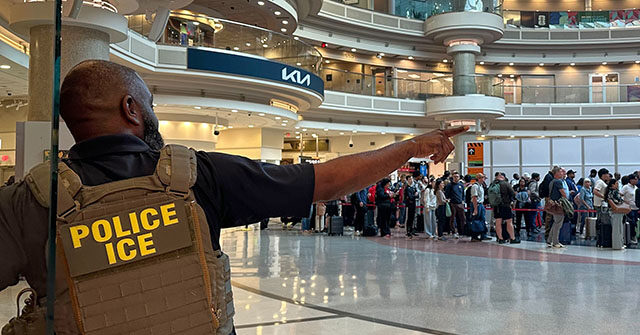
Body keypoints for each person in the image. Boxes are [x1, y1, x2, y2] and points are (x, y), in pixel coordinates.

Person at [0, 60, 468, 334]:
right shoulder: (197, 177)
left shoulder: (28, 201)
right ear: (131, 109)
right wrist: (411, 147)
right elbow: (324, 182)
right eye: (150, 107)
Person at [490, 172, 517, 244]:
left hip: (496, 206)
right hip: (505, 206)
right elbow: (513, 194)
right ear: (503, 177)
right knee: (509, 222)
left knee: (498, 222)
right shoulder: (506, 184)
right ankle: (512, 238)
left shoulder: (492, 184)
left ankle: (500, 238)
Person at [547, 167, 568, 248]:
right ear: (556, 173)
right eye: (560, 172)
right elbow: (563, 193)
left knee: (555, 222)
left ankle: (550, 240)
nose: (562, 173)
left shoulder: (552, 182)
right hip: (558, 205)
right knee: (558, 224)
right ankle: (555, 242)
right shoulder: (558, 182)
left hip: (553, 204)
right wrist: (567, 201)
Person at [605, 178, 627, 249]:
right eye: (616, 184)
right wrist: (621, 202)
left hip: (614, 211)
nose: (617, 185)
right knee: (617, 229)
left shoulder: (611, 191)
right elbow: (616, 200)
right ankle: (617, 245)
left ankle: (619, 244)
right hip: (615, 211)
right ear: (612, 184)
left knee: (618, 228)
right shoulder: (613, 192)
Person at [469, 173, 490, 241]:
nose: (484, 180)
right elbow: (474, 197)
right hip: (477, 204)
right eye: (483, 178)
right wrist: (475, 209)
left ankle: (483, 235)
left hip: (481, 204)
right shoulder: (475, 186)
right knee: (476, 220)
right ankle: (474, 236)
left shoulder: (481, 186)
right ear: (479, 178)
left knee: (482, 220)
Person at [444, 171, 465, 239]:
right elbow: (446, 194)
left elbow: (462, 194)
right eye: (455, 177)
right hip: (452, 203)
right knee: (452, 218)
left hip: (460, 203)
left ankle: (461, 231)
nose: (456, 178)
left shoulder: (461, 185)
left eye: (457, 177)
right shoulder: (449, 185)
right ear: (452, 177)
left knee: (462, 218)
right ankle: (453, 232)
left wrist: (462, 201)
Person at [620, 173, 638, 244]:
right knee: (632, 222)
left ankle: (633, 235)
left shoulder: (636, 188)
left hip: (636, 207)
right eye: (635, 179)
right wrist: (625, 202)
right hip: (629, 208)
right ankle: (631, 236)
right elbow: (620, 195)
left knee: (635, 222)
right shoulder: (626, 187)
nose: (637, 180)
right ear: (631, 180)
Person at [513, 178, 530, 243]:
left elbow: (528, 194)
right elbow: (515, 194)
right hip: (518, 205)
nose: (522, 183)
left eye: (523, 181)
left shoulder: (527, 188)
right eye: (521, 181)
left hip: (526, 205)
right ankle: (517, 230)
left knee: (527, 218)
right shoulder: (516, 187)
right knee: (518, 219)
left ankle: (528, 230)